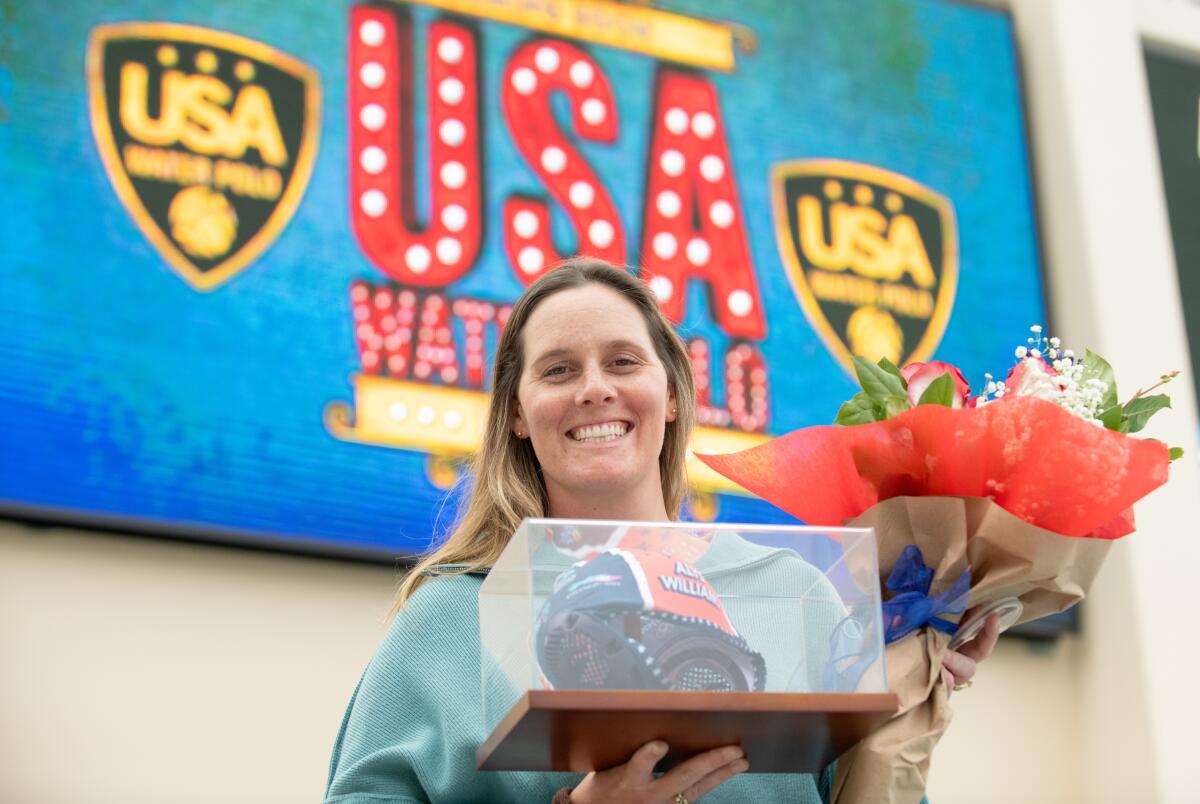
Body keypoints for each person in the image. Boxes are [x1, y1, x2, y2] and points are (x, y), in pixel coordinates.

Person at [324, 258, 998, 803]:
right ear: (518, 414)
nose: (594, 389)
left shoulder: (794, 594)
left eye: (623, 362)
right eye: (558, 369)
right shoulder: (450, 617)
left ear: (672, 395)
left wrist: (919, 682)